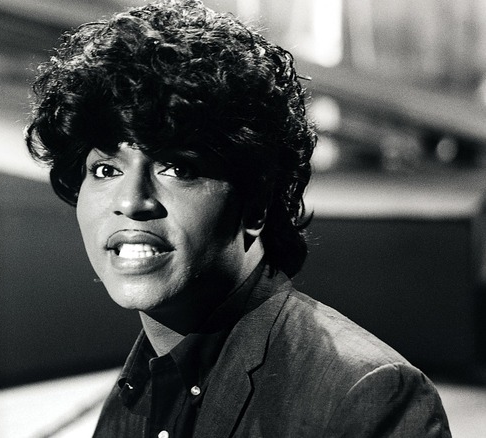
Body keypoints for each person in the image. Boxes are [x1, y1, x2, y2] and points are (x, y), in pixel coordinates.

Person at [25, 0, 451, 436]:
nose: (132, 202)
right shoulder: (128, 402)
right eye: (106, 170)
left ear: (257, 202)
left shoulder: (364, 396)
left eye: (178, 168)